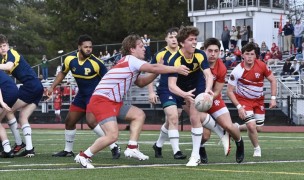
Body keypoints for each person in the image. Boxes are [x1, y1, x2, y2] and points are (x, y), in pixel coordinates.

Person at [74, 34, 190, 169]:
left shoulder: (129, 62)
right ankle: (84, 156)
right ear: (131, 49)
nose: (144, 49)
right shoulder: (131, 60)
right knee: (112, 136)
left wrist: (158, 70)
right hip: (103, 100)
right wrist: (176, 69)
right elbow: (153, 68)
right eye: (141, 46)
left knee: (138, 115)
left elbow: (141, 82)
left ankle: (132, 147)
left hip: (112, 101)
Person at [48, 35, 121, 159]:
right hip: (81, 95)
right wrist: (52, 87)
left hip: (94, 96)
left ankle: (113, 145)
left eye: (90, 47)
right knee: (69, 121)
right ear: (79, 47)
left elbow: (109, 79)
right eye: (85, 47)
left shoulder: (97, 63)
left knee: (91, 122)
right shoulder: (70, 59)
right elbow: (63, 73)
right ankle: (68, 150)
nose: (88, 49)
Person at [167, 26, 214, 167]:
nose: (194, 42)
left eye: (195, 39)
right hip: (181, 88)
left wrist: (206, 91)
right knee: (174, 117)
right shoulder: (174, 59)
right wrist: (184, 95)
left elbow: (208, 75)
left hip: (197, 85)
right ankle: (219, 129)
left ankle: (195, 156)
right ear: (182, 43)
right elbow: (171, 85)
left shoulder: (200, 55)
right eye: (190, 40)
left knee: (194, 117)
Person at [227, 43, 277, 157]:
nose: (249, 56)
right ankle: (257, 148)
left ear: (256, 56)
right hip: (243, 100)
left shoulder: (262, 66)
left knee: (258, 128)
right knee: (251, 126)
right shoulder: (237, 71)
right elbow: (229, 91)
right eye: (247, 54)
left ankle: (236, 127)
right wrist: (239, 107)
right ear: (242, 56)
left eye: (252, 54)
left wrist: (273, 98)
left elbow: (273, 80)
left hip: (259, 100)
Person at [199, 37, 244, 164]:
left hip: (213, 98)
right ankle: (201, 148)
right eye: (210, 51)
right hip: (198, 100)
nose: (213, 54)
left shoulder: (222, 68)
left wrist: (206, 99)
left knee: (228, 126)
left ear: (219, 52)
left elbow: (217, 91)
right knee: (205, 136)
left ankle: (240, 143)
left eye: (216, 51)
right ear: (204, 50)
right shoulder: (197, 62)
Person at [0, 34, 44, 157]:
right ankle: (29, 149)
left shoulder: (12, 53)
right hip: (36, 86)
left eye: (4, 45)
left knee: (8, 111)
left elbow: (8, 66)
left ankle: (19, 143)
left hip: (30, 86)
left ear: (8, 45)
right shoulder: (4, 59)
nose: (3, 48)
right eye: (0, 47)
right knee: (23, 116)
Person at [148, 27, 187, 160]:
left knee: (171, 120)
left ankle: (158, 145)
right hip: (165, 89)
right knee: (173, 117)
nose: (173, 39)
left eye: (176, 36)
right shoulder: (160, 54)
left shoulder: (185, 53)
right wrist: (151, 92)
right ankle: (177, 151)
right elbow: (151, 73)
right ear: (166, 39)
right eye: (171, 37)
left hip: (179, 90)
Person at [0, 70, 19, 158]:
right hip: (11, 90)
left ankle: (6, 149)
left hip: (6, 92)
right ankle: (6, 149)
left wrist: (1, 102)